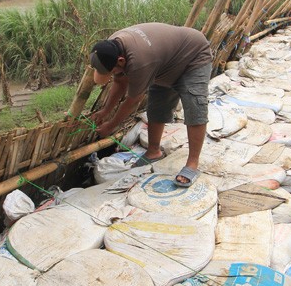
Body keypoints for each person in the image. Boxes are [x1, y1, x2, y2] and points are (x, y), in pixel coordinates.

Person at [89, 22, 212, 187]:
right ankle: (153, 151)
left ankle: (192, 163)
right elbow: (119, 82)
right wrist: (105, 111)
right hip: (165, 63)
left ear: (121, 61)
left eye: (111, 72)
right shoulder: (111, 46)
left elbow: (132, 100)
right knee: (157, 103)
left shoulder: (140, 61)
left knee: (194, 106)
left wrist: (111, 125)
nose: (112, 75)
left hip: (193, 55)